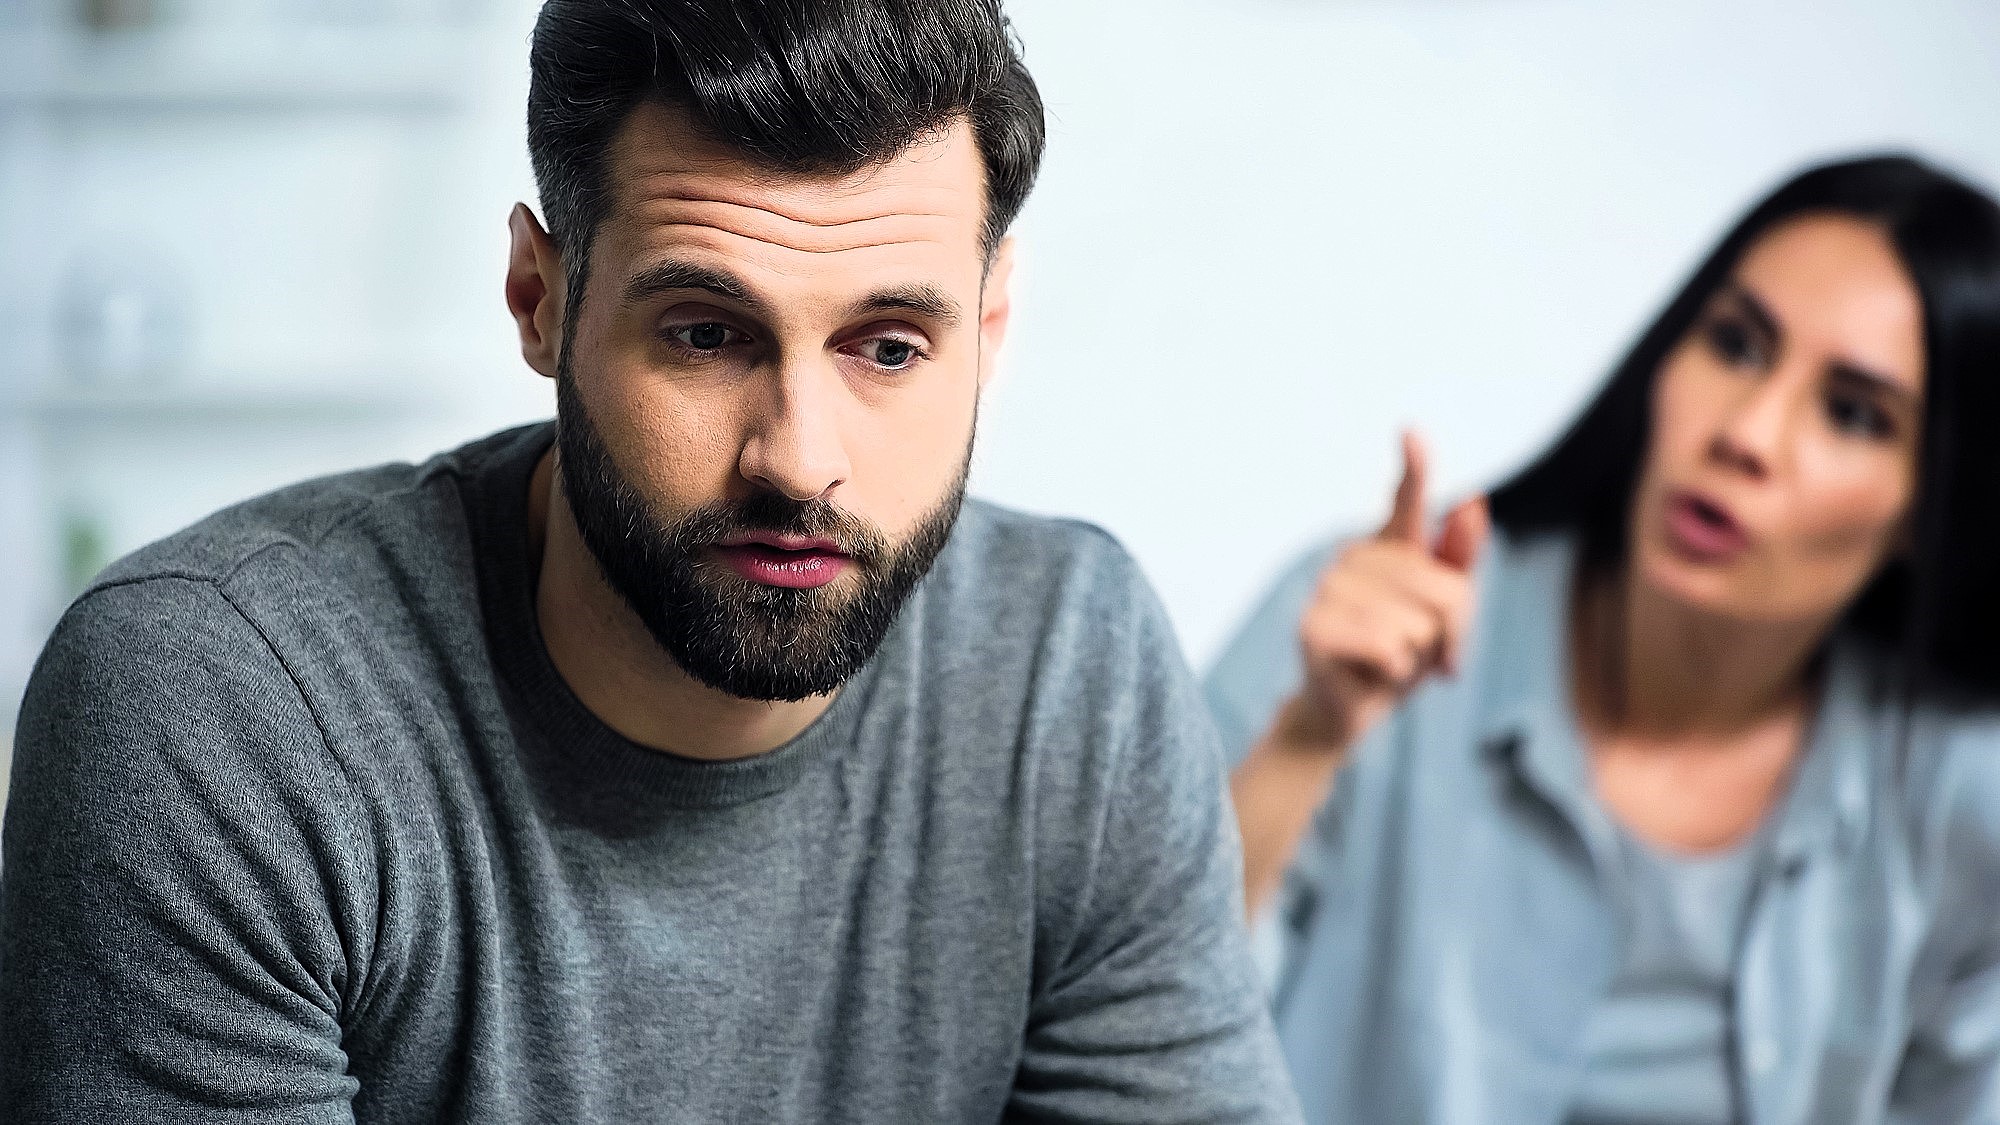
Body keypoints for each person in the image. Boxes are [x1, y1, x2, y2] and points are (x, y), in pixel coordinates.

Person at [0, 2, 1302, 1121]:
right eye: (704, 334)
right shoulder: (227, 706)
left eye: (890, 347)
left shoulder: (1071, 671)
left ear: (991, 328)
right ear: (540, 298)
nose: (801, 460)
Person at [1209, 154, 2000, 1123]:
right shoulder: (1368, 625)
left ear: (1931, 507)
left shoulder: (1959, 793)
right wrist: (1308, 740)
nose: (1745, 432)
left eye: (1849, 413)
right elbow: (1119, 1025)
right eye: (1735, 345)